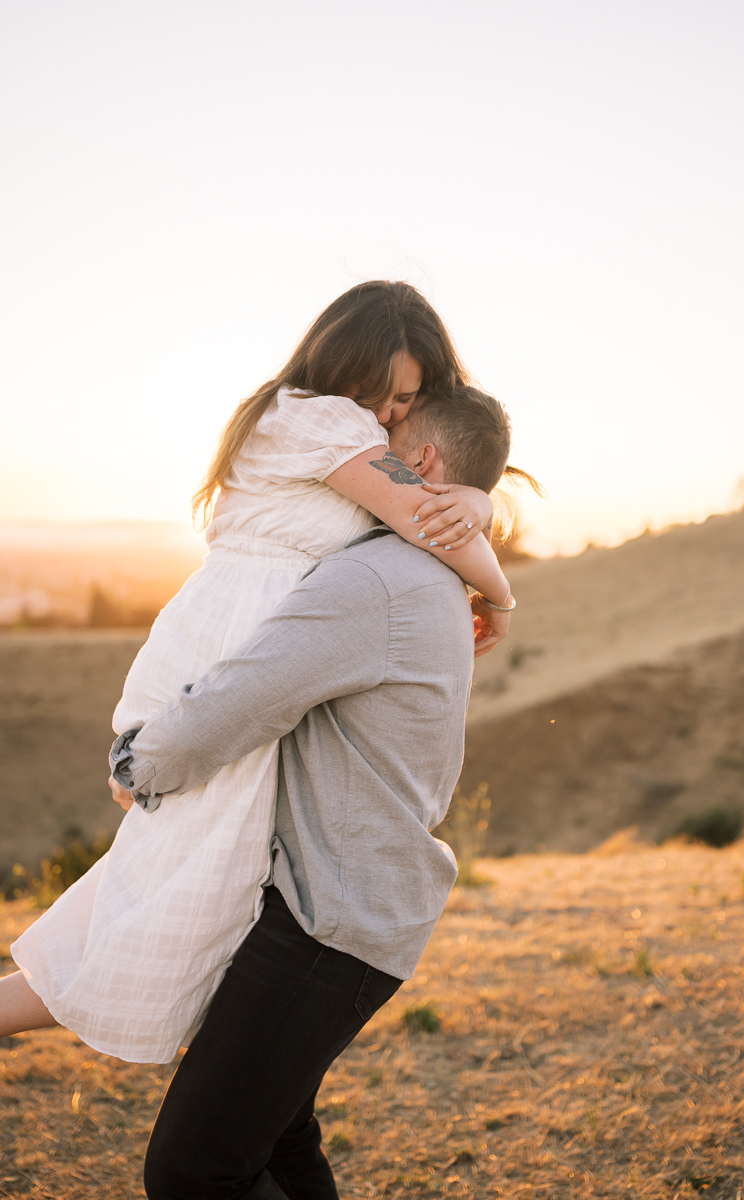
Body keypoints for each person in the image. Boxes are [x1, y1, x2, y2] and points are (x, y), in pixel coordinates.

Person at [3, 281, 515, 1064]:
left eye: (405, 401)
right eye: (379, 393)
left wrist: (474, 500)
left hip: (251, 646)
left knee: (179, 876)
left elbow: (434, 503)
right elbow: (424, 513)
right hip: (230, 651)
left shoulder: (326, 426)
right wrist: (502, 593)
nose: (386, 416)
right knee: (179, 882)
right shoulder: (317, 416)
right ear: (338, 364)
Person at [107, 385, 523, 1200]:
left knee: (194, 1170)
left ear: (421, 462)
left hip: (328, 926)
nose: (361, 446)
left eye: (384, 432)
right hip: (354, 906)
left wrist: (136, 762)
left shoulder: (376, 579)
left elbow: (238, 701)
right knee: (279, 1139)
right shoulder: (429, 577)